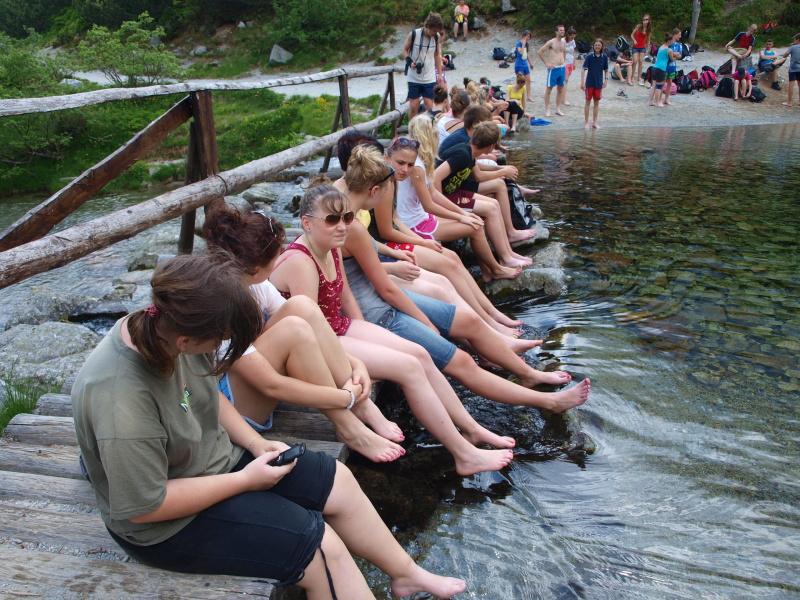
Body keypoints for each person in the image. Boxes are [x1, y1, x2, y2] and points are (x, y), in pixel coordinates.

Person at [71, 254, 466, 600]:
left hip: (212, 463)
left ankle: (405, 574)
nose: (224, 346)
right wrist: (244, 481)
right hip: (166, 526)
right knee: (321, 549)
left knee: (337, 479)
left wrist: (255, 443)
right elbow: (145, 508)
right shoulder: (121, 399)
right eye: (222, 338)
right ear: (188, 340)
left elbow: (208, 395)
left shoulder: (165, 325)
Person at [271, 185, 519, 476]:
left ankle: (471, 429)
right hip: (315, 342)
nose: (342, 226)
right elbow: (310, 332)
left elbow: (346, 299)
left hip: (337, 327)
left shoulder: (331, 245)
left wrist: (369, 339)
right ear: (306, 222)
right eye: (332, 219)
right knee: (409, 367)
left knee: (420, 353)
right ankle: (464, 455)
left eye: (347, 218)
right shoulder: (301, 262)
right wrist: (353, 365)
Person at [325, 148, 590, 409]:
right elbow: (385, 290)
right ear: (374, 190)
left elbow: (366, 262)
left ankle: (528, 374)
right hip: (378, 312)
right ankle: (549, 402)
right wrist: (427, 323)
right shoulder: (350, 226)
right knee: (462, 362)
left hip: (380, 298)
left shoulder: (345, 213)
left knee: (470, 321)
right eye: (386, 190)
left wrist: (393, 255)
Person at [202, 207, 406, 464]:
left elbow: (308, 319)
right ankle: (350, 428)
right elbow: (270, 384)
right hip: (235, 411)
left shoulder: (254, 284)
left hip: (255, 383)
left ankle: (364, 407)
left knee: (302, 306)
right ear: (255, 268)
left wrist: (356, 365)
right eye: (277, 256)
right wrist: (346, 397)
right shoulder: (221, 306)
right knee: (293, 330)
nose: (280, 259)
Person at [402, 12, 445, 121]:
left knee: (429, 106)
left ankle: (429, 129)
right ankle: (412, 129)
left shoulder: (436, 37)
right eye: (434, 30)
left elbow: (437, 55)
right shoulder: (414, 34)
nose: (435, 33)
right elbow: (405, 50)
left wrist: (440, 74)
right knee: (414, 106)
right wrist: (410, 61)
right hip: (414, 76)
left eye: (437, 31)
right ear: (427, 26)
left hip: (429, 76)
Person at [537, 24, 568, 117]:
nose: (562, 32)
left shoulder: (564, 42)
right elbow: (540, 52)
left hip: (562, 68)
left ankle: (558, 108)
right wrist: (547, 63)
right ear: (556, 31)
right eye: (560, 30)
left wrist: (564, 62)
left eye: (563, 30)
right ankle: (547, 109)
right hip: (553, 68)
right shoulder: (551, 42)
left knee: (560, 89)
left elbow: (564, 52)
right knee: (549, 89)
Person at [581, 38, 609, 129]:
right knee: (588, 102)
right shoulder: (589, 57)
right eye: (596, 45)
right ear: (593, 46)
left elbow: (606, 70)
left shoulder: (604, 57)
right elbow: (583, 69)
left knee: (596, 103)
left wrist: (606, 80)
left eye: (599, 45)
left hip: (598, 83)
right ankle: (586, 122)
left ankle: (595, 122)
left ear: (602, 46)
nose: (597, 47)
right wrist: (583, 82)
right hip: (589, 83)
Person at [648, 34, 672, 107]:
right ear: (669, 41)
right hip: (661, 68)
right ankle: (658, 102)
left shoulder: (661, 47)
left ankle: (651, 101)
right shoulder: (669, 50)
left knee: (653, 85)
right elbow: (672, 58)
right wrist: (676, 56)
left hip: (655, 67)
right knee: (659, 86)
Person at [631, 15, 652, 86]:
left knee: (640, 61)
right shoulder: (638, 26)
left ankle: (639, 77)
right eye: (643, 19)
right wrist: (634, 40)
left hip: (642, 46)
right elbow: (632, 35)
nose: (644, 21)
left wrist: (647, 49)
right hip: (635, 46)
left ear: (648, 21)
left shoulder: (648, 30)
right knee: (635, 61)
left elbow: (648, 40)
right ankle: (632, 76)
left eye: (646, 19)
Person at [515, 30, 536, 102]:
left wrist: (530, 63)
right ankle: (518, 94)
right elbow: (521, 52)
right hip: (519, 64)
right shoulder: (519, 44)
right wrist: (523, 44)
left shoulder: (527, 44)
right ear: (524, 36)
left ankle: (528, 96)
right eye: (527, 36)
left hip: (525, 64)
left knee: (528, 80)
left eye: (529, 36)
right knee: (520, 80)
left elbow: (527, 54)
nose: (528, 38)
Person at [781, 32, 800, 107]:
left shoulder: (793, 47)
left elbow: (785, 55)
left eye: (794, 40)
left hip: (793, 68)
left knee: (791, 85)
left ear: (798, 39)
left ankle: (789, 102)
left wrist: (790, 47)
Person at [665, 28, 683, 100]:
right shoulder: (669, 43)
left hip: (673, 66)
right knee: (663, 82)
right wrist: (674, 54)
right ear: (675, 35)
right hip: (666, 65)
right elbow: (667, 52)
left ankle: (666, 99)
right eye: (679, 35)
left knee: (670, 83)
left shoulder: (679, 45)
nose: (680, 36)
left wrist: (673, 55)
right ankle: (659, 98)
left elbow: (680, 55)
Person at [563, 27, 578, 104]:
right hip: (564, 62)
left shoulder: (573, 41)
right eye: (571, 37)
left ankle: (562, 94)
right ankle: (563, 98)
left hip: (570, 61)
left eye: (574, 37)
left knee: (567, 80)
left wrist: (574, 62)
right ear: (568, 35)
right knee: (565, 79)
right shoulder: (563, 41)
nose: (572, 38)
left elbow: (573, 52)